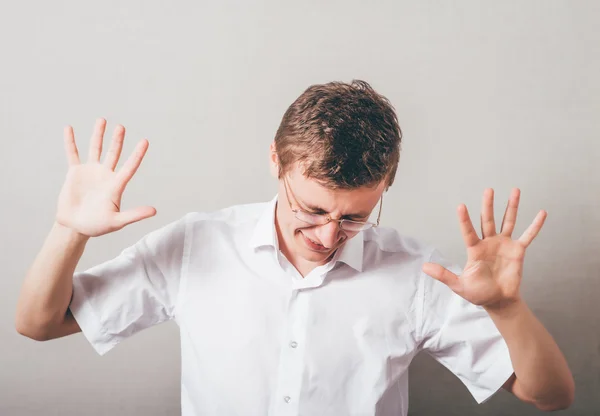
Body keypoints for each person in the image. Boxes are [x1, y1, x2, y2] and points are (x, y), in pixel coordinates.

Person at [16, 80, 574, 415]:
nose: (329, 238)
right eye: (310, 210)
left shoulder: (414, 275)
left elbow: (551, 396)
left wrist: (506, 309)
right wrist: (70, 232)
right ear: (276, 163)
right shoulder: (197, 245)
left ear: (386, 185)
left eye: (354, 218)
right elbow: (38, 324)